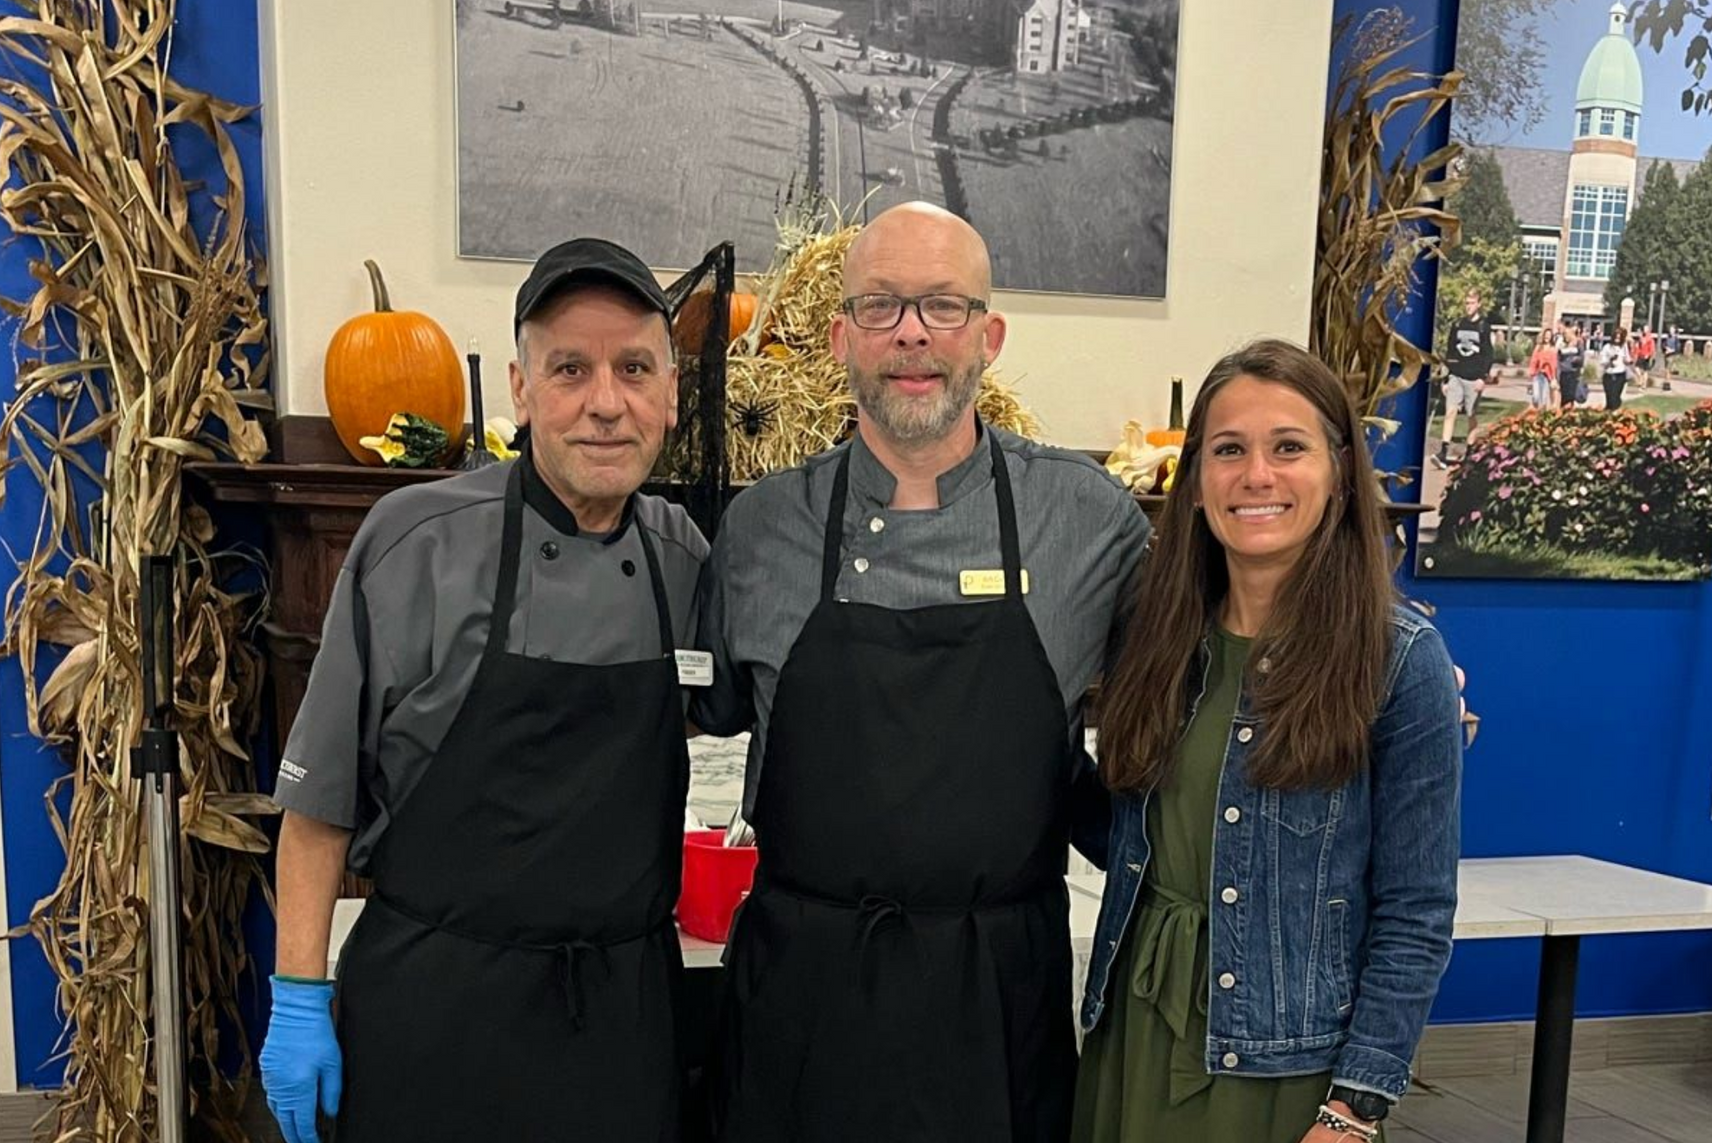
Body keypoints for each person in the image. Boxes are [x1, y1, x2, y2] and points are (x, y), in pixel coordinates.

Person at [693, 202, 1151, 1141]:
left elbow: (1206, 674)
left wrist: (1381, 665)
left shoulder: (1090, 523)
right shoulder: (759, 529)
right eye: (881, 305)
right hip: (801, 1007)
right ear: (840, 339)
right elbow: (705, 712)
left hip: (998, 1011)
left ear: (989, 336)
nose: (911, 332)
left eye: (943, 305)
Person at [259, 238, 709, 1143]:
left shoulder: (684, 560)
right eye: (570, 369)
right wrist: (298, 999)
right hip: (437, 1017)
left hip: (621, 1024)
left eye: (633, 369)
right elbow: (318, 804)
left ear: (670, 393)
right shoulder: (415, 542)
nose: (605, 403)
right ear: (520, 388)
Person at [1072, 339, 1463, 1143]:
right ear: (1195, 480)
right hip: (1133, 1038)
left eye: (1288, 447)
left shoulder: (1400, 660)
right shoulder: (1155, 640)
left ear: (1339, 472)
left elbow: (1416, 910)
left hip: (1282, 1068)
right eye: (1228, 450)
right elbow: (1131, 838)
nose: (1257, 475)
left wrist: (1354, 1108)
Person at [1434, 288, 1494, 468]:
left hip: (1474, 378)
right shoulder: (1458, 325)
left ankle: (1469, 452)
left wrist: (1483, 377)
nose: (1468, 306)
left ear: (1479, 304)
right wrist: (1446, 378)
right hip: (1457, 376)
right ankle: (1443, 452)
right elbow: (1450, 352)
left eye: (1472, 303)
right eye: (1467, 303)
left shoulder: (1483, 327)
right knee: (1450, 412)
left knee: (1470, 415)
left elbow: (1488, 354)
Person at [1599, 326, 1633, 411]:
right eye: (1616, 337)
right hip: (1608, 374)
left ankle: (1616, 412)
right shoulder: (1607, 347)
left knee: (1615, 397)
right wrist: (1610, 361)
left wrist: (1629, 361)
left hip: (1619, 375)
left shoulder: (1624, 347)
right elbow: (1602, 362)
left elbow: (1627, 358)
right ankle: (1608, 413)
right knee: (1609, 397)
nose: (1617, 339)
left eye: (1619, 338)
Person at [1528, 328, 1559, 410]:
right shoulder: (1538, 347)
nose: (1547, 337)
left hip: (1546, 376)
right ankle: (1535, 409)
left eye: (1549, 335)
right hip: (1537, 374)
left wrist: (1553, 378)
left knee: (1543, 398)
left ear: (1551, 337)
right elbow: (1533, 360)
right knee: (1536, 396)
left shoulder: (1553, 349)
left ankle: (1541, 413)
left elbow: (1554, 364)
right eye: (1546, 335)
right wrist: (1531, 371)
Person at [1556, 323, 1585, 409]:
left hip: (1573, 372)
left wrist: (1576, 360)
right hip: (1563, 372)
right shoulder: (1562, 344)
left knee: (1571, 395)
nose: (1565, 336)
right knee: (1564, 395)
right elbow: (1558, 358)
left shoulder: (1578, 343)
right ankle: (1563, 411)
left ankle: (1570, 411)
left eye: (1567, 334)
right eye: (1564, 334)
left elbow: (1582, 357)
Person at [1633, 325, 1657, 390]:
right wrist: (1636, 353)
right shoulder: (1642, 337)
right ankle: (1640, 379)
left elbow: (1652, 348)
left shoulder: (1649, 338)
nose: (1644, 330)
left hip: (1646, 356)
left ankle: (1644, 385)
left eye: (1646, 329)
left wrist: (1649, 354)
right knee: (1636, 368)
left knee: (1645, 371)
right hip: (1640, 355)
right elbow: (1639, 346)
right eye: (1644, 329)